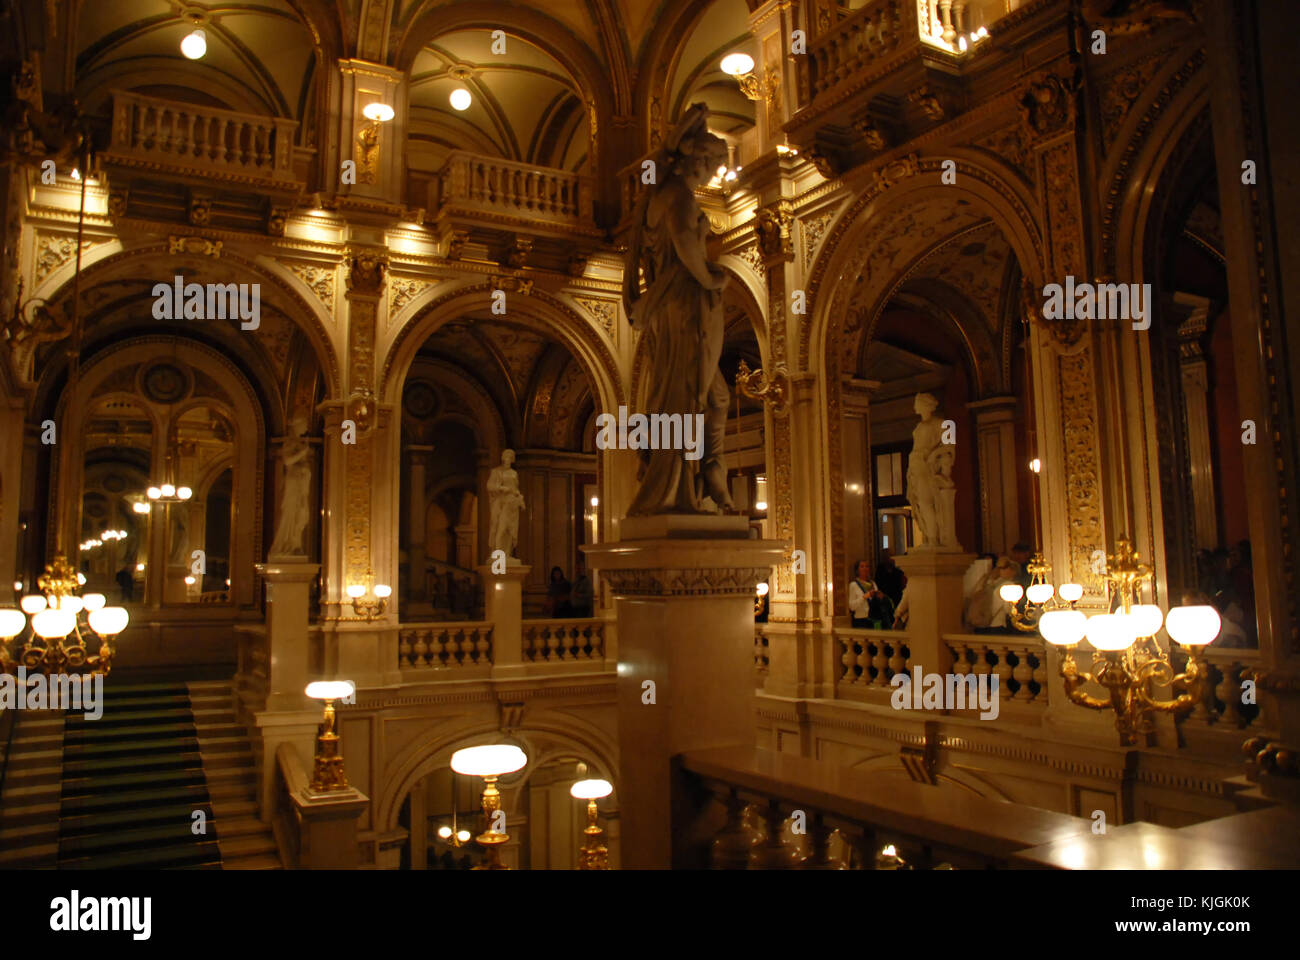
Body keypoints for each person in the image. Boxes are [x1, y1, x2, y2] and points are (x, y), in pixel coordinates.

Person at [966, 556, 1020, 631]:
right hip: (995, 623)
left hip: (984, 622)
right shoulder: (1006, 585)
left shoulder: (992, 583)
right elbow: (1008, 609)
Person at [848, 559, 893, 629]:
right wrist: (864, 597)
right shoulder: (853, 585)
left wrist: (880, 596)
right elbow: (851, 606)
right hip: (861, 620)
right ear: (857, 570)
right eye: (862, 567)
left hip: (874, 619)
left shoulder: (873, 583)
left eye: (867, 566)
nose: (865, 569)